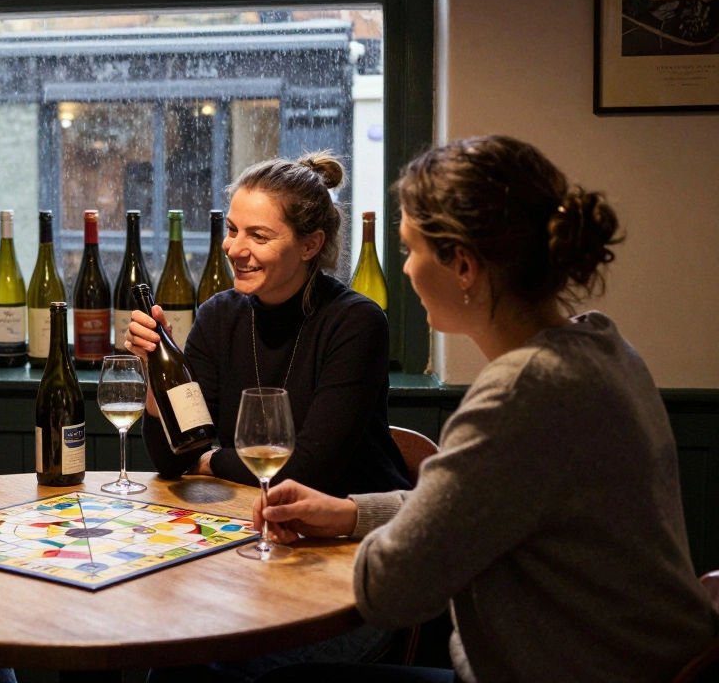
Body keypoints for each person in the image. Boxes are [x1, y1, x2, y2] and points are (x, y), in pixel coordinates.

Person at [254, 136, 719, 683]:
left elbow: (389, 589)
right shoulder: (602, 345)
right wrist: (353, 513)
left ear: (465, 267)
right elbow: (483, 503)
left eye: (411, 250)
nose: (404, 270)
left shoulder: (518, 396)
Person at [126, 153, 410, 497]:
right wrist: (155, 367)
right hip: (261, 517)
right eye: (232, 230)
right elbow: (174, 460)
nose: (234, 249)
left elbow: (308, 471)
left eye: (258, 236)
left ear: (310, 244)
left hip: (356, 528)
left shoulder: (356, 323)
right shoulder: (218, 316)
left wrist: (213, 460)